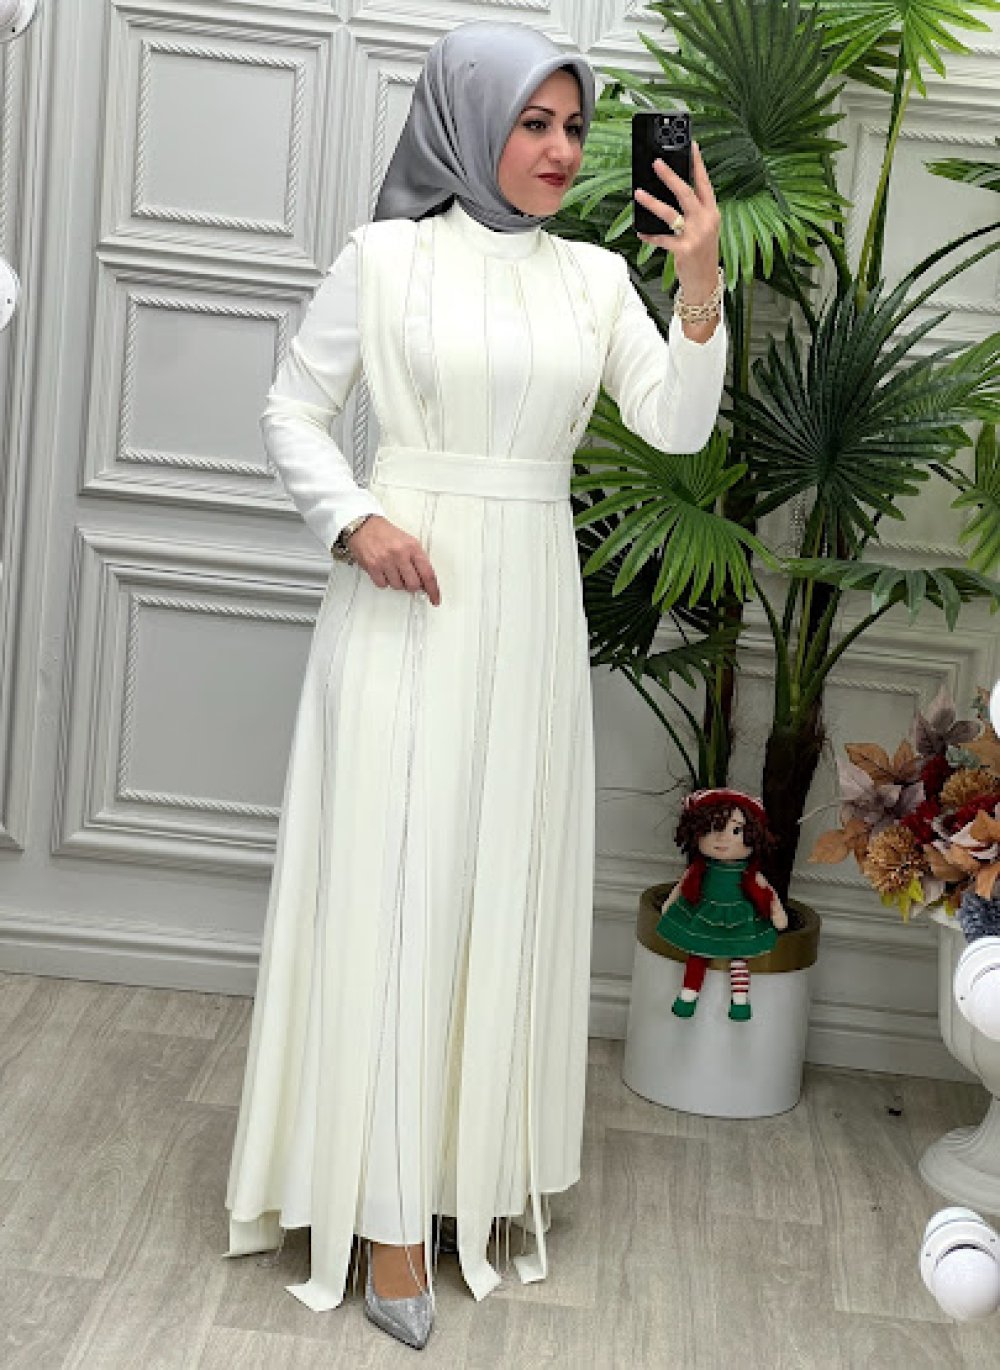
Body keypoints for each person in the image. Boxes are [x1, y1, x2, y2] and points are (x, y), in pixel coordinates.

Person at [223, 19, 727, 1351]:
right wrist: (354, 519)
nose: (560, 150)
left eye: (575, 127)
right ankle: (387, 1220)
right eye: (533, 122)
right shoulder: (385, 259)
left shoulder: (592, 281)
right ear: (466, 123)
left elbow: (676, 423)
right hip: (404, 604)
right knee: (395, 886)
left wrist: (698, 280)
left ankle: (461, 1175)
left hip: (531, 613)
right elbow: (290, 408)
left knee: (496, 877)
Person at [656, 789, 789, 1021]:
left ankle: (740, 1001)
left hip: (739, 918)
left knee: (739, 958)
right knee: (698, 953)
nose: (722, 839)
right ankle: (688, 996)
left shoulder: (749, 874)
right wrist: (670, 903)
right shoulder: (700, 870)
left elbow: (767, 892)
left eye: (736, 831)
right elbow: (683, 886)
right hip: (705, 913)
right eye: (712, 829)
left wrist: (777, 913)